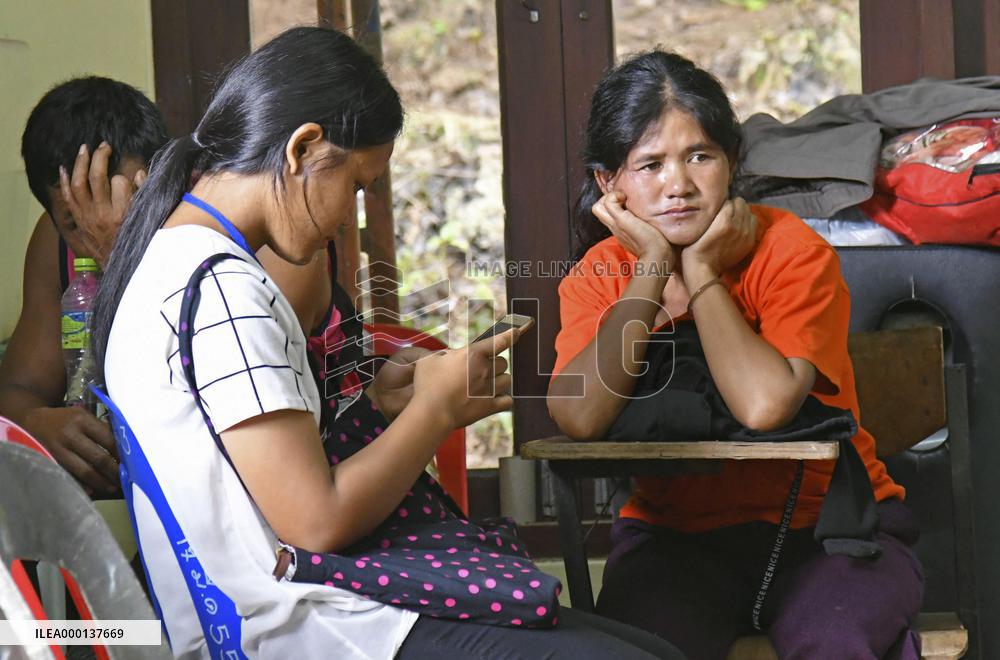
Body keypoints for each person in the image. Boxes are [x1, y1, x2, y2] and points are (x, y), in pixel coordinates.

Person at [92, 27, 683, 660]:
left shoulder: (178, 263)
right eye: (355, 185)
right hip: (292, 627)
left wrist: (377, 406)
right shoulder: (224, 289)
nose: (350, 214)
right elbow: (316, 522)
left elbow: (257, 475)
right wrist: (435, 411)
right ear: (302, 149)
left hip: (286, 611)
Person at [547, 50, 924, 660]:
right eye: (649, 165)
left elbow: (765, 404)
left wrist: (700, 273)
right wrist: (650, 271)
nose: (679, 185)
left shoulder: (790, 253)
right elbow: (579, 417)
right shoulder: (603, 276)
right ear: (608, 186)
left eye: (700, 156)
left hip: (831, 536)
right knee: (640, 648)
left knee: (833, 642)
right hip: (676, 543)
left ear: (732, 163)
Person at [1, 76, 336, 496]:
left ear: (166, 177)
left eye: (127, 201)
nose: (100, 222)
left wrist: (118, 256)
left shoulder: (250, 232)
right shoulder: (54, 243)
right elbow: (19, 390)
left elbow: (227, 417)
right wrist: (36, 424)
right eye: (75, 220)